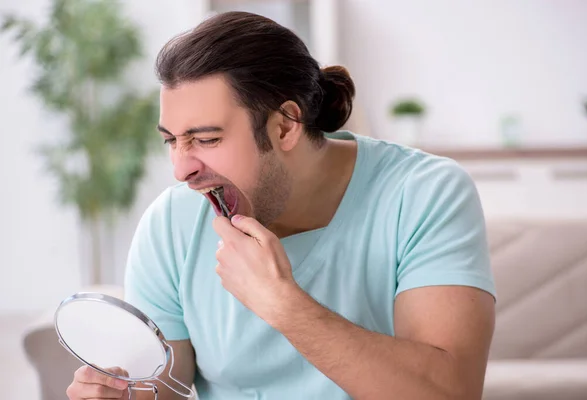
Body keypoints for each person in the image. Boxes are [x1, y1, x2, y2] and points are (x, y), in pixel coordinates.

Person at [66, 11, 496, 400]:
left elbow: (450, 393)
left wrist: (283, 305)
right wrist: (121, 396)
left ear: (285, 125)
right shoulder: (170, 223)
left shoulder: (425, 194)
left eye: (207, 139)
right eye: (171, 141)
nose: (182, 170)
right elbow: (163, 387)